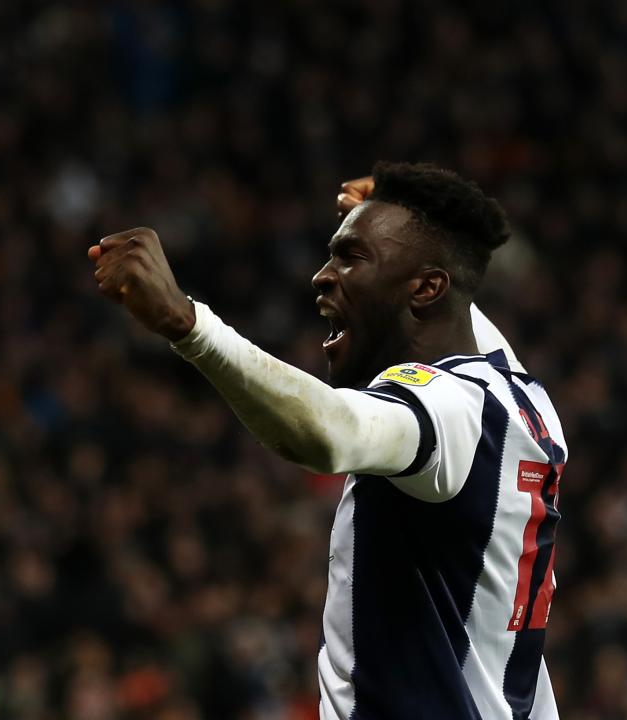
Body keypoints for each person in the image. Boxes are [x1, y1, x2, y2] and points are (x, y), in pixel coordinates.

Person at [87, 162, 567, 719]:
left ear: (427, 287)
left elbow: (327, 433)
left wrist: (188, 325)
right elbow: (453, 293)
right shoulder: (522, 400)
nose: (322, 275)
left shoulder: (446, 407)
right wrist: (394, 225)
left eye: (351, 257)